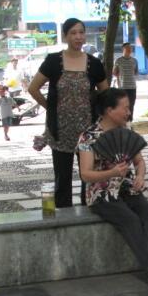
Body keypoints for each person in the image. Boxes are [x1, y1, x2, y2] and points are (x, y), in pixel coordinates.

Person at [78, 89, 148, 288]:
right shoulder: (88, 137)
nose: (128, 112)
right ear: (109, 110)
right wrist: (112, 173)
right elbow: (86, 174)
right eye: (124, 108)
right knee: (131, 220)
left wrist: (140, 177)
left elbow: (139, 162)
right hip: (101, 193)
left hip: (127, 188)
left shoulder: (127, 131)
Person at [28, 18, 109, 208]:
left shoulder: (94, 63)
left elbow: (106, 94)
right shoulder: (53, 61)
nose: (78, 37)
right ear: (65, 36)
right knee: (62, 179)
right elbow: (33, 88)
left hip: (87, 131)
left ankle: (88, 218)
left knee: (88, 178)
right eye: (73, 33)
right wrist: (51, 108)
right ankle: (63, 221)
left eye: (81, 32)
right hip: (60, 131)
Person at [113, 42, 139, 121]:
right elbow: (115, 72)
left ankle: (129, 122)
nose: (129, 49)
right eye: (127, 48)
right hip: (122, 87)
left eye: (130, 48)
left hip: (132, 86)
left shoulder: (134, 61)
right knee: (123, 105)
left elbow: (136, 72)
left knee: (131, 105)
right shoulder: (118, 60)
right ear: (123, 49)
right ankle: (123, 121)